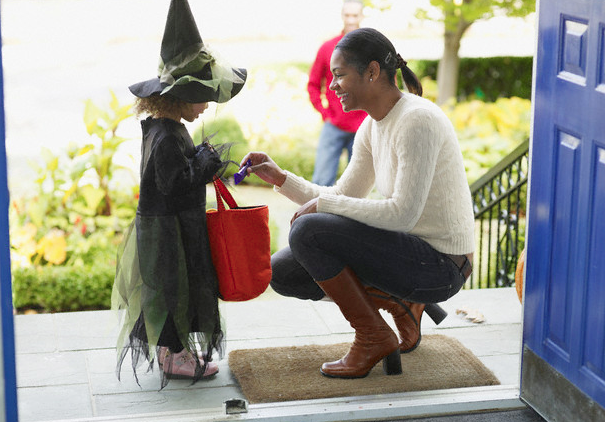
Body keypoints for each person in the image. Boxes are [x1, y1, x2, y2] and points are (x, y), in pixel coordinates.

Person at [240, 28, 474, 379]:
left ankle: (372, 336)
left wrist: (325, 208)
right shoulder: (372, 126)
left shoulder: (418, 120)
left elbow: (401, 213)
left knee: (308, 229)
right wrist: (281, 178)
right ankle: (401, 304)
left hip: (442, 266)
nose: (331, 85)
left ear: (373, 72)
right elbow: (345, 193)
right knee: (285, 272)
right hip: (409, 254)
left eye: (339, 75)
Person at [111, 0, 246, 388]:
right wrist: (204, 163)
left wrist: (204, 161)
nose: (207, 106)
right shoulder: (167, 136)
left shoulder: (162, 126)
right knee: (173, 292)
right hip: (168, 233)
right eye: (203, 96)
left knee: (175, 290)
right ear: (180, 95)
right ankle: (174, 355)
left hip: (172, 227)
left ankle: (177, 351)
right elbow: (174, 183)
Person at [308, 0, 368, 186]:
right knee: (321, 182)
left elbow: (387, 84)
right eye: (347, 15)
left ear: (361, 17)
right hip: (333, 125)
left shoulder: (370, 48)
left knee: (359, 186)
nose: (351, 19)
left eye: (355, 15)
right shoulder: (327, 48)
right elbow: (313, 85)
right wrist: (325, 113)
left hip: (363, 127)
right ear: (342, 16)